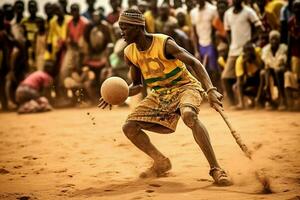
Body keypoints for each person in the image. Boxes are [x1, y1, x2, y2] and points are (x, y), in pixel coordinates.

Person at [98, 8, 232, 186]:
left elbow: (194, 62)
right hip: (160, 94)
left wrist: (210, 89)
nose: (121, 32)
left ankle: (216, 169)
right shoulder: (130, 52)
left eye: (124, 27)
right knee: (129, 127)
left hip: (185, 86)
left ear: (138, 27)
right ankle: (161, 162)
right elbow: (138, 85)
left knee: (189, 115)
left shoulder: (164, 43)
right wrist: (120, 94)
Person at [222, 0, 263, 106]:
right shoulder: (228, 14)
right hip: (233, 51)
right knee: (225, 78)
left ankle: (254, 101)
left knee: (248, 77)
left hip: (247, 52)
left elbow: (260, 29)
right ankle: (233, 103)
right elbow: (227, 32)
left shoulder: (249, 12)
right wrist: (231, 44)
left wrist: (250, 42)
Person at [260, 30, 288, 110]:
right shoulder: (265, 49)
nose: (274, 41)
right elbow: (266, 64)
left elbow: (283, 62)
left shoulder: (284, 48)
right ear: (269, 40)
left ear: (279, 40)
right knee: (264, 73)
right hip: (270, 70)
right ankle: (269, 100)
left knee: (277, 71)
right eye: (272, 39)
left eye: (276, 39)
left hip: (281, 70)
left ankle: (282, 99)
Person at [234, 42, 263, 109]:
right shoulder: (240, 61)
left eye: (251, 53)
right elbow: (239, 81)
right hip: (249, 79)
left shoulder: (258, 53)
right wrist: (244, 64)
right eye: (247, 53)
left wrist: (255, 61)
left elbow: (262, 67)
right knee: (235, 87)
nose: (249, 55)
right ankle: (242, 103)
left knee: (263, 74)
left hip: (259, 78)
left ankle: (260, 100)